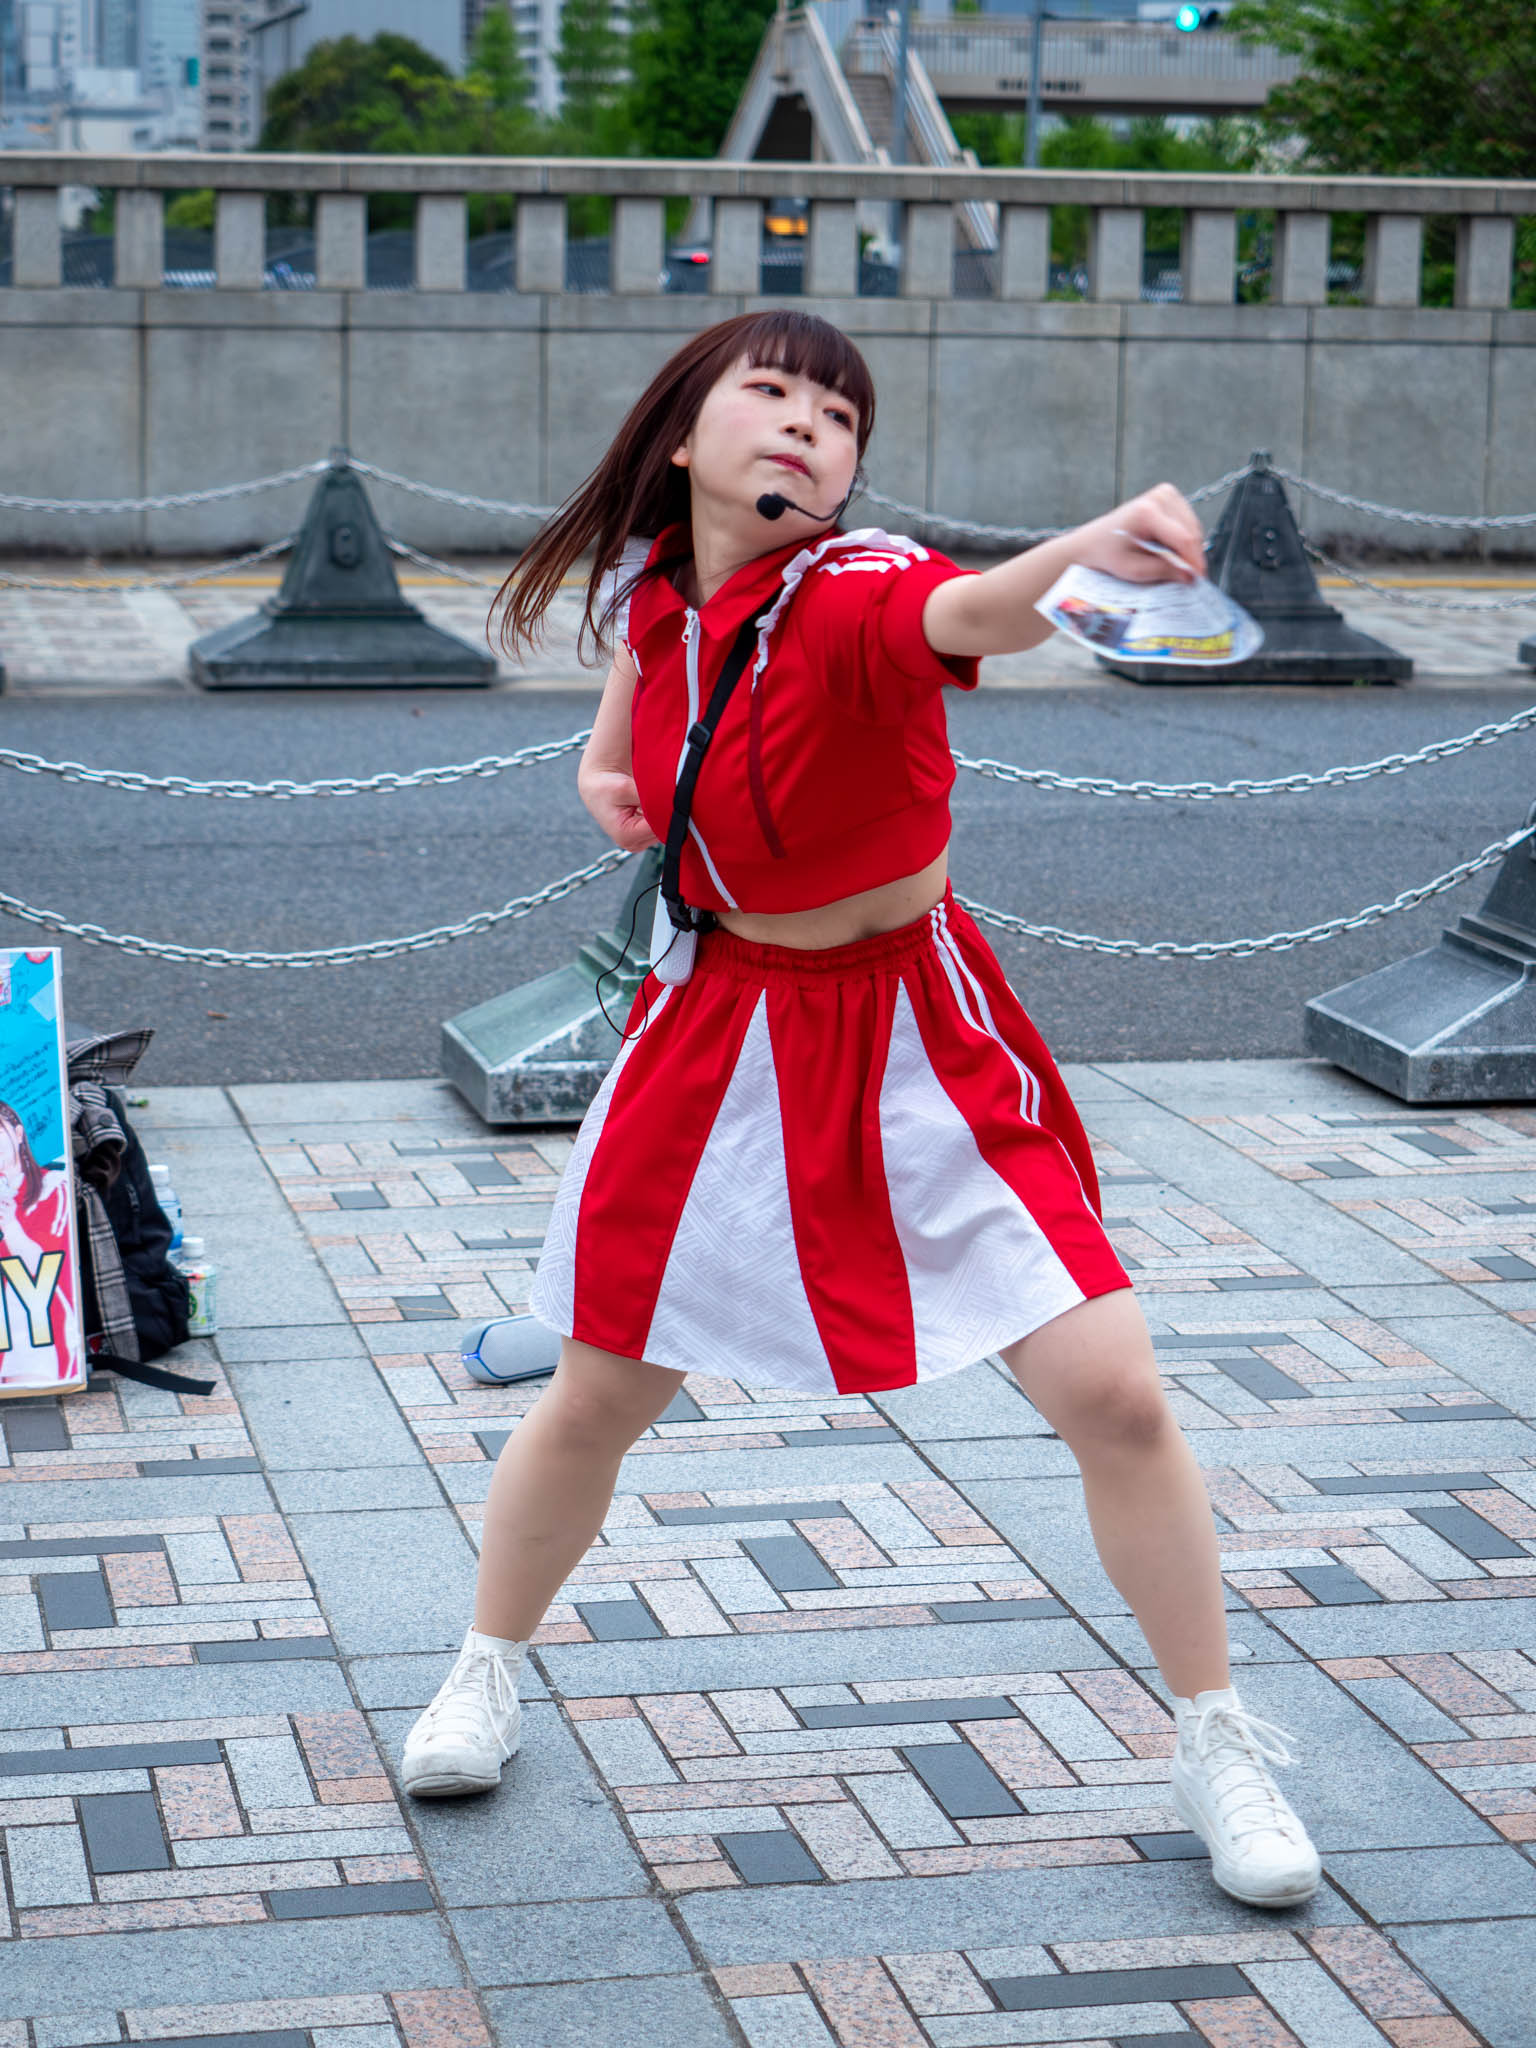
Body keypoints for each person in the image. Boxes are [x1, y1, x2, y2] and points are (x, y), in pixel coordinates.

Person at [400, 310, 1321, 1910]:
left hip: (916, 1032)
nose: (808, 425)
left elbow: (963, 610)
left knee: (1116, 1394)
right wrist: (611, 762)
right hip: (718, 1035)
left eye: (838, 412)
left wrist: (1082, 554)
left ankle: (1218, 1735)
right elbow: (641, 686)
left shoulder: (852, 589)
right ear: (682, 435)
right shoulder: (671, 601)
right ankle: (486, 1665)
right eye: (771, 393)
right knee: (601, 1398)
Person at [0, 1098, 76, 1387]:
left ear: (18, 1134)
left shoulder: (52, 1188)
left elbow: (50, 1267)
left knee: (18, 1302)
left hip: (36, 1320)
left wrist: (10, 1226)